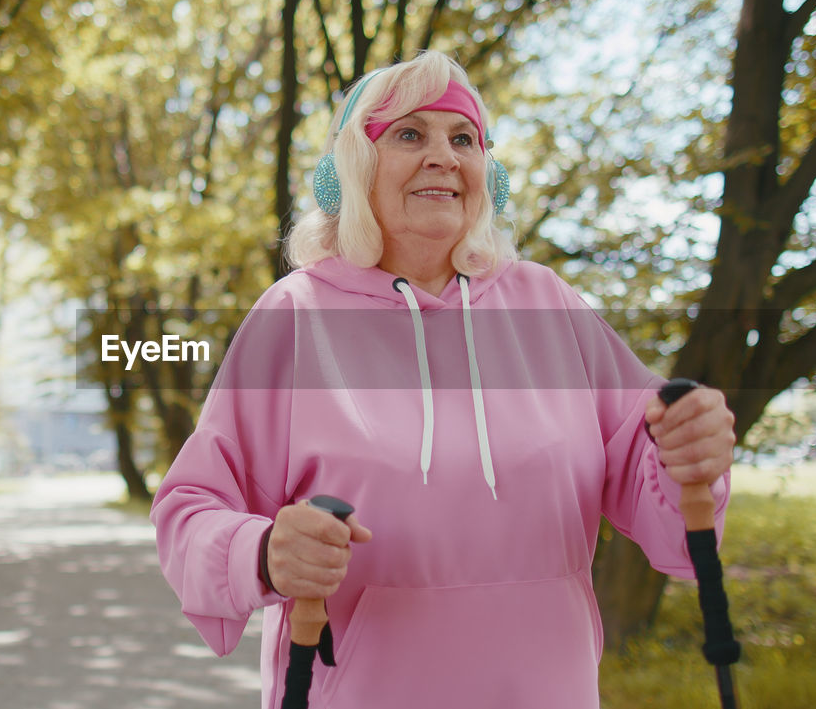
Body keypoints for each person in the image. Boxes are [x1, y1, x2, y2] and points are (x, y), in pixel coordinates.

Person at [150, 50, 735, 709]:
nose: (443, 156)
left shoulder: (547, 304)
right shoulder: (294, 316)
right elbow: (188, 512)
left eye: (464, 138)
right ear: (354, 167)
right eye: (409, 134)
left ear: (489, 172)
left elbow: (663, 489)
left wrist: (694, 450)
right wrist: (264, 553)